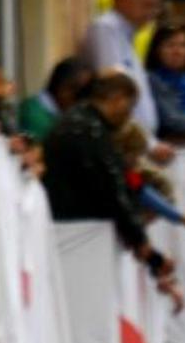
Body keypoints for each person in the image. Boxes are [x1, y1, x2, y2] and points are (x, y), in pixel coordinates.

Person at [42, 70, 173, 281]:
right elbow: (113, 188)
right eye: (130, 107)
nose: (129, 116)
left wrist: (173, 214)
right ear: (117, 99)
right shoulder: (90, 131)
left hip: (74, 227)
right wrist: (140, 240)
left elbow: (126, 178)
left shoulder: (83, 124)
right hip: (79, 233)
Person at [80, 0, 173, 164]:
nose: (150, 14)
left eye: (155, 7)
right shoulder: (106, 30)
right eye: (145, 5)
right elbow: (115, 93)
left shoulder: (128, 36)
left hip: (139, 148)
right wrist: (149, 144)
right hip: (123, 147)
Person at [18, 58, 94, 141]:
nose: (85, 102)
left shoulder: (59, 116)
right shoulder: (33, 115)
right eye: (82, 93)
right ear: (64, 89)